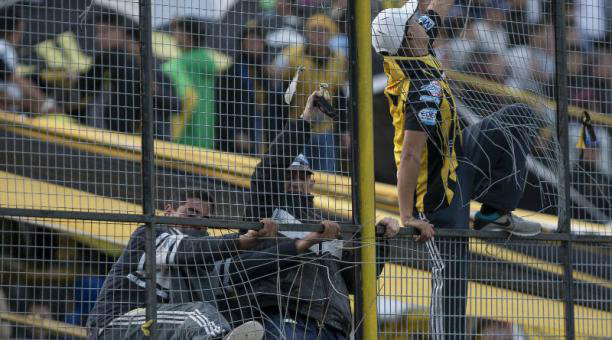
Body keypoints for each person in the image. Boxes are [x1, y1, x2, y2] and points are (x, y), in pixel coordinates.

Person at [372, 0, 541, 337]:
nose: (422, 20)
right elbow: (409, 155)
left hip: (459, 159)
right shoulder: (420, 88)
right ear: (409, 36)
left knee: (519, 117)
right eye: (414, 21)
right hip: (438, 195)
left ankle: (495, 212)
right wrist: (408, 216)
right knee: (451, 283)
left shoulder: (415, 43)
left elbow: (437, 7)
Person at [244, 91, 401, 339]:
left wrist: (379, 239)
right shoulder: (266, 207)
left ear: (312, 182)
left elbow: (353, 281)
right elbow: (268, 170)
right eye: (289, 174)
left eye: (301, 175)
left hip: (333, 325)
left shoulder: (326, 226)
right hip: (286, 318)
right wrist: (306, 119)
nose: (295, 181)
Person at [87, 188, 338, 339]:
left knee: (201, 319)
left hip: (157, 330)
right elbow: (190, 250)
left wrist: (304, 243)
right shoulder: (152, 234)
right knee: (201, 316)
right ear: (168, 211)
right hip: (114, 325)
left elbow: (245, 267)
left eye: (205, 219)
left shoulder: (204, 259)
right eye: (191, 212)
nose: (198, 223)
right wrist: (240, 240)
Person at [77, 10, 178, 138]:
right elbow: (86, 87)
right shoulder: (113, 61)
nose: (126, 46)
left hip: (153, 140)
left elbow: (177, 105)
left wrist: (155, 90)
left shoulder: (157, 71)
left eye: (129, 42)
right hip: (117, 137)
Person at [269, 14, 347, 172]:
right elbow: (274, 77)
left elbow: (340, 96)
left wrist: (345, 130)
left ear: (330, 34)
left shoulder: (339, 58)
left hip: (325, 129)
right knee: (299, 175)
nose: (319, 35)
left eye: (324, 31)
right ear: (308, 33)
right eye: (315, 30)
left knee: (328, 178)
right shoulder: (292, 55)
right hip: (298, 128)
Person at [216, 20, 286, 154]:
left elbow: (279, 107)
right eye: (251, 41)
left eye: (259, 42)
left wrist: (276, 82)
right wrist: (234, 133)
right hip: (240, 138)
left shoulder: (267, 72)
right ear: (242, 44)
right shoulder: (230, 73)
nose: (255, 46)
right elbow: (222, 109)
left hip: (265, 134)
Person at [164, 17, 218, 149]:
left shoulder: (180, 64)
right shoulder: (207, 59)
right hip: (206, 134)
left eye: (177, 31)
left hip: (185, 134)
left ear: (187, 35)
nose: (174, 35)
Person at [0, 4, 62, 115]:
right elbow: (12, 77)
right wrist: (44, 103)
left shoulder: (6, 48)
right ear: (18, 24)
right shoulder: (3, 48)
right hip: (7, 117)